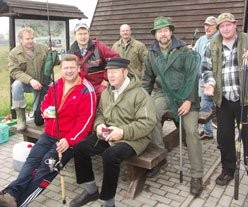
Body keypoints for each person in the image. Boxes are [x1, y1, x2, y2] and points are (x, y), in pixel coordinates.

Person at [0, 54, 97, 207]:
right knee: (31, 162)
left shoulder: (87, 90)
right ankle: (11, 193)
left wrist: (69, 140)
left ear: (79, 68)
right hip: (49, 134)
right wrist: (45, 111)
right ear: (61, 69)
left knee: (44, 170)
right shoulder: (56, 84)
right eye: (66, 68)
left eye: (72, 67)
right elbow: (45, 103)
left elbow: (86, 122)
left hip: (67, 141)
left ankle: (19, 203)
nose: (69, 71)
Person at [69, 58, 157, 207]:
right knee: (80, 148)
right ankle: (91, 191)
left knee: (110, 155)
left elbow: (147, 123)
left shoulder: (140, 94)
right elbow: (100, 113)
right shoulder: (107, 92)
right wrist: (98, 125)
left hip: (134, 138)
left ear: (125, 72)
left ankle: (108, 202)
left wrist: (122, 132)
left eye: (114, 72)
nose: (110, 75)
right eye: (108, 72)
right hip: (109, 134)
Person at [201, 13, 248, 197]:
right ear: (218, 28)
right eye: (221, 26)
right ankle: (228, 170)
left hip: (245, 100)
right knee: (224, 139)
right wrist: (209, 83)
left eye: (228, 25)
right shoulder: (212, 44)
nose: (225, 29)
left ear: (235, 24)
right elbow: (206, 69)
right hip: (223, 101)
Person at [142, 16, 204, 196]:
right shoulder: (151, 53)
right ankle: (160, 158)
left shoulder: (184, 49)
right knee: (150, 118)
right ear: (155, 34)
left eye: (165, 30)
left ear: (171, 31)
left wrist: (188, 100)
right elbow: (147, 79)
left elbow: (193, 76)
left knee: (191, 131)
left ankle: (196, 175)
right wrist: (143, 100)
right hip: (163, 93)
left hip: (186, 93)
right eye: (159, 31)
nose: (163, 34)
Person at [9, 27, 49, 131]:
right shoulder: (14, 53)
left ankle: (42, 115)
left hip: (41, 84)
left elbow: (55, 61)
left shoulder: (43, 48)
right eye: (27, 39)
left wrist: (54, 54)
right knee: (16, 85)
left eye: (32, 38)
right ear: (21, 40)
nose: (31, 41)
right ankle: (21, 117)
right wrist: (31, 80)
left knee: (38, 119)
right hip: (26, 83)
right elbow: (14, 71)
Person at [69, 22, 120, 104]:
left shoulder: (99, 47)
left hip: (99, 87)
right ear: (75, 36)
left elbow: (116, 58)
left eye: (85, 33)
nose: (83, 36)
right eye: (80, 34)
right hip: (81, 87)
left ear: (89, 34)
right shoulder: (71, 52)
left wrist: (107, 79)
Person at [193, 16, 219, 140]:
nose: (207, 27)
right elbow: (194, 53)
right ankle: (208, 132)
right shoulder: (201, 39)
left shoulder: (219, 39)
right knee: (205, 105)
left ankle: (209, 132)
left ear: (216, 26)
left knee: (206, 106)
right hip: (201, 79)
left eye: (210, 25)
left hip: (214, 79)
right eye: (205, 25)